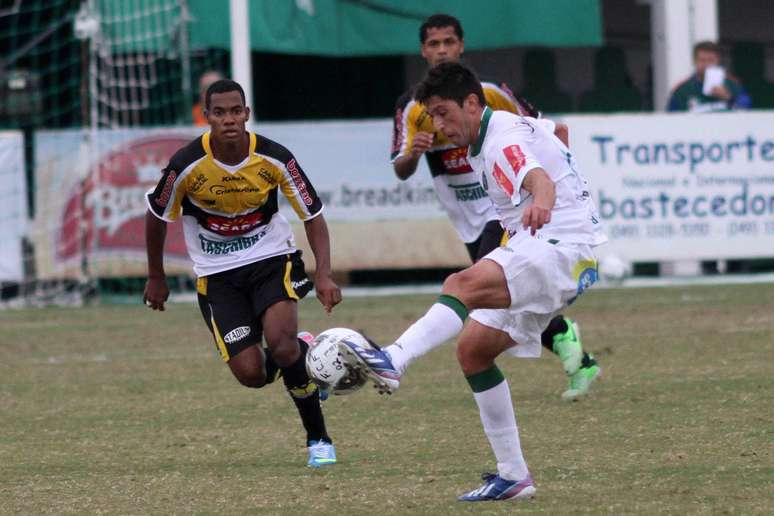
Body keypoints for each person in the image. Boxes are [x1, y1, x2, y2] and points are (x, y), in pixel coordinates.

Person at [341, 61, 607, 501]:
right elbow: (556, 131)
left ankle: (393, 359)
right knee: (473, 352)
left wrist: (543, 201)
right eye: (433, 118)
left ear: (471, 103)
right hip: (562, 247)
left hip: (559, 244)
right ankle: (514, 476)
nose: (440, 126)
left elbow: (537, 179)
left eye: (444, 113)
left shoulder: (500, 140)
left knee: (460, 284)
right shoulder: (500, 129)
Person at [391, 13, 599, 399]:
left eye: (448, 42)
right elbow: (400, 167)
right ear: (423, 50)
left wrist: (551, 199)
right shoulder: (414, 107)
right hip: (469, 216)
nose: (441, 50)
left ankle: (393, 359)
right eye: (433, 44)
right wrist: (415, 154)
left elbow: (547, 134)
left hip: (504, 215)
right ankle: (568, 341)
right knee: (483, 322)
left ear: (461, 45)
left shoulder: (492, 100)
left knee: (467, 290)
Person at [143, 79, 342, 467]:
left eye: (236, 111)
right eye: (220, 113)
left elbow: (313, 214)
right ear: (207, 117)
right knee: (251, 373)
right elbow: (155, 216)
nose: (229, 120)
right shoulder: (185, 165)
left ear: (246, 114)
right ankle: (305, 352)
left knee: (281, 348)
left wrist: (324, 274)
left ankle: (318, 440)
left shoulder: (275, 157)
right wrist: (156, 276)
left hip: (271, 260)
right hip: (217, 275)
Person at [667, 41, 752, 112]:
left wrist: (728, 97)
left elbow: (746, 110)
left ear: (718, 61)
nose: (706, 64)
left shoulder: (732, 85)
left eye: (711, 60)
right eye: (702, 60)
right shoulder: (683, 90)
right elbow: (672, 119)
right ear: (694, 61)